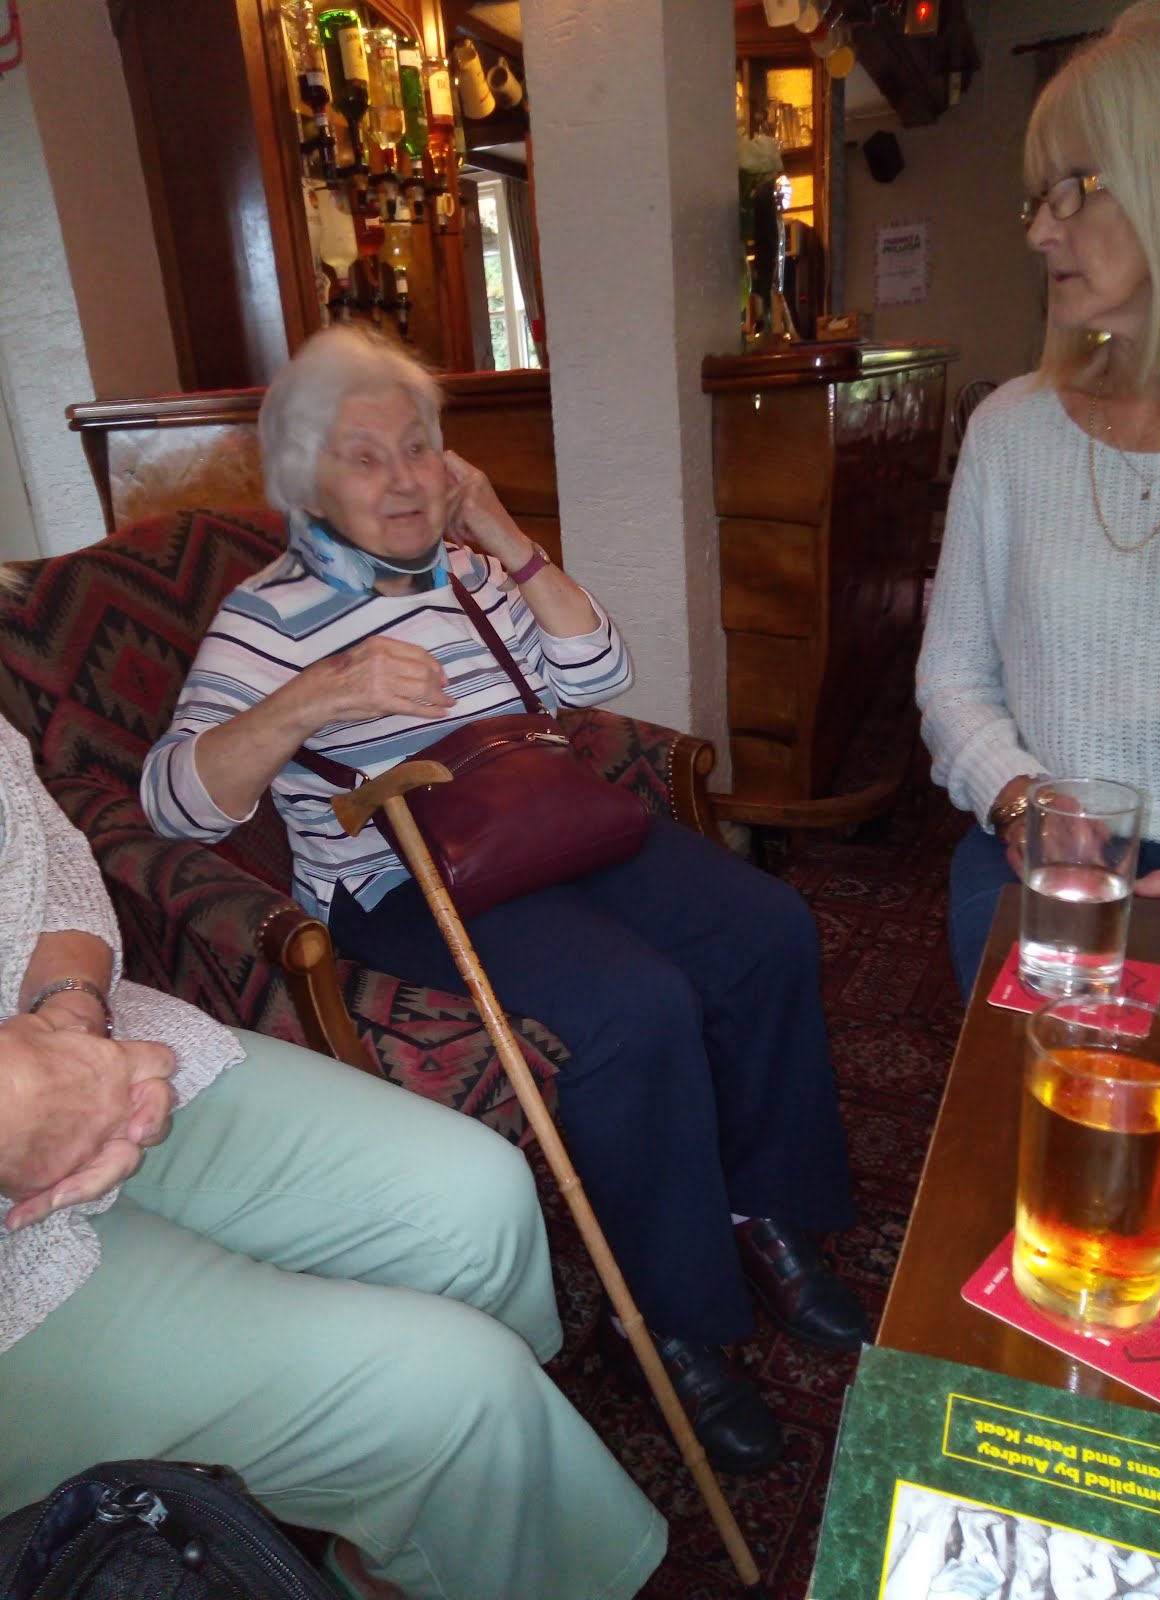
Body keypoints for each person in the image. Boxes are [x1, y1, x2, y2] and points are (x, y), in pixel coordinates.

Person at [142, 324, 868, 1476]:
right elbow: (177, 800)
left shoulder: (474, 571)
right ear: (304, 480)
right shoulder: (262, 620)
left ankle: (759, 1215)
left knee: (764, 927)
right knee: (634, 1006)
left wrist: (503, 531)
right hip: (410, 871)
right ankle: (669, 1319)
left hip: (550, 819)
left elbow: (596, 677)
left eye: (421, 448)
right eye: (365, 456)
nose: (404, 478)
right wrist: (315, 698)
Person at [0, 716, 667, 1600]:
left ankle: (411, 1545)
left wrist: (72, 1023)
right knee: (460, 1394)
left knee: (476, 1200)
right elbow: (182, 795)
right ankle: (459, 1467)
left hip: (108, 1047)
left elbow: (41, 857)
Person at [916, 0, 1160, 1002]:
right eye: (1036, 198)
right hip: (1039, 864)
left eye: (1072, 192)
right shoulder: (1009, 431)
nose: (1038, 230)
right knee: (1037, 1137)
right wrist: (1020, 796)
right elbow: (950, 677)